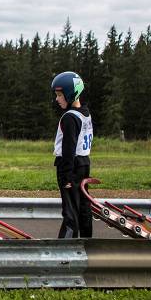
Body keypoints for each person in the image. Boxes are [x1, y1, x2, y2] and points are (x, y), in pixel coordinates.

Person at [51, 71, 93, 239]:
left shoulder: (69, 117)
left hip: (69, 166)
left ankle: (65, 249)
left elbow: (69, 147)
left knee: (70, 210)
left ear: (70, 94)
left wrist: (67, 176)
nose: (57, 99)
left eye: (59, 95)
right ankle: (86, 243)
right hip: (84, 164)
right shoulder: (85, 113)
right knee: (83, 208)